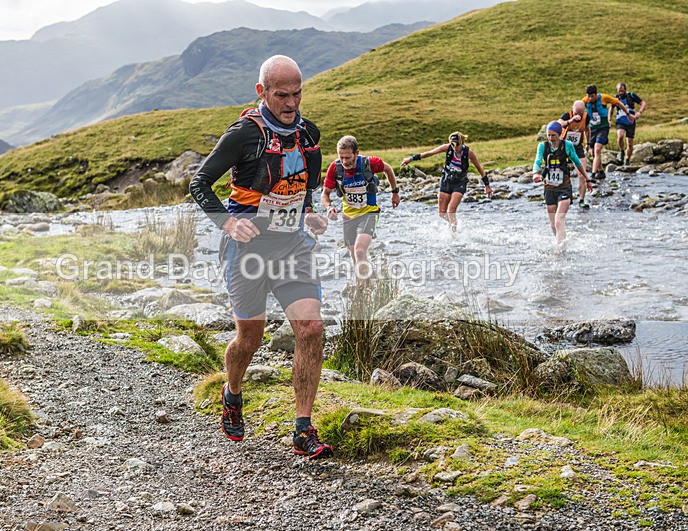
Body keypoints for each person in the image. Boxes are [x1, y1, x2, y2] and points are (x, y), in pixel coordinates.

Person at [189, 55, 333, 459]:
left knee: (311, 328)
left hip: (292, 247)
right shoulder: (243, 135)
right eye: (282, 95)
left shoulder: (308, 134)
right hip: (247, 250)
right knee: (249, 339)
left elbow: (304, 189)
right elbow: (199, 183)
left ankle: (303, 428)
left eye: (297, 94)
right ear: (262, 92)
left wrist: (309, 213)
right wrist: (228, 223)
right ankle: (232, 392)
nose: (291, 103)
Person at [320, 135, 400, 285]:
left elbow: (388, 169)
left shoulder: (369, 163)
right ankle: (362, 283)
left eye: (348, 157)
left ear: (357, 153)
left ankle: (365, 288)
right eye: (341, 157)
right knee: (353, 255)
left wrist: (394, 192)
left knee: (359, 250)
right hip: (348, 216)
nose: (344, 161)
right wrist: (329, 207)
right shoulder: (335, 168)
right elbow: (325, 195)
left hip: (369, 212)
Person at [401, 132, 492, 231]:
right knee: (442, 213)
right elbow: (429, 153)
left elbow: (479, 168)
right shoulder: (447, 148)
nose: (455, 148)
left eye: (457, 145)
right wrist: (410, 159)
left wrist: (487, 186)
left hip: (460, 182)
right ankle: (453, 224)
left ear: (461, 143)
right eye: (453, 145)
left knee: (451, 211)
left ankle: (453, 235)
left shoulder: (468, 152)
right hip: (446, 180)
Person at [532, 121, 592, 251]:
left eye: (553, 135)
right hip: (549, 188)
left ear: (559, 134)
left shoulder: (567, 145)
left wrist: (587, 179)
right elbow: (537, 161)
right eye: (548, 135)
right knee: (553, 224)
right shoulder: (542, 146)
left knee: (559, 221)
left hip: (564, 187)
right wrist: (535, 173)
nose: (550, 138)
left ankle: (560, 252)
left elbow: (577, 162)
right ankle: (561, 242)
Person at [583, 84, 634, 181]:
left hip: (603, 128)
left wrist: (628, 114)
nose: (590, 98)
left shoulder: (604, 98)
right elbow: (577, 110)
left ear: (596, 94)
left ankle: (593, 175)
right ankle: (601, 172)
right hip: (592, 129)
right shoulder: (585, 101)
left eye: (592, 96)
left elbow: (618, 103)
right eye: (588, 96)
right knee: (593, 153)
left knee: (597, 149)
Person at [557, 100, 594, 209]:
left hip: (577, 148)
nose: (578, 116)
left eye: (580, 114)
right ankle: (560, 197)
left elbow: (587, 129)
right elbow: (558, 124)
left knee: (582, 174)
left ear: (583, 111)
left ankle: (581, 200)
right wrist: (571, 120)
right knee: (560, 172)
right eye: (576, 113)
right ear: (572, 110)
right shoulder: (567, 115)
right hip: (563, 146)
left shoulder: (586, 117)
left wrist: (588, 143)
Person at [614, 83, 647, 166]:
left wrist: (639, 112)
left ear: (625, 90)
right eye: (619, 91)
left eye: (622, 91)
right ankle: (622, 151)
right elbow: (611, 108)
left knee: (630, 143)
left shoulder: (631, 95)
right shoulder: (616, 98)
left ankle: (627, 160)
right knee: (620, 136)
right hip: (620, 121)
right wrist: (609, 119)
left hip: (631, 122)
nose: (620, 92)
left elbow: (643, 103)